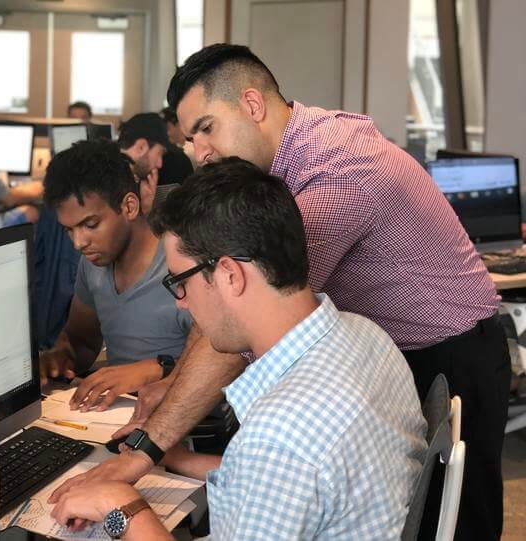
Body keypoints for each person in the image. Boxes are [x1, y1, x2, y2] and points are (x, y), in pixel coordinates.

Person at [52, 44, 510, 541]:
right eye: (188, 139)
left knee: (466, 522)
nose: (199, 152)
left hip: (451, 346)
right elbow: (237, 313)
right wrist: (175, 390)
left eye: (206, 128)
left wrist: (144, 453)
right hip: (382, 355)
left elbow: (245, 311)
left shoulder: (337, 172)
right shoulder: (289, 161)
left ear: (252, 105)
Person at [50, 158, 427, 540]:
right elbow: (289, 485)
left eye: (179, 282)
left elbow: (282, 460)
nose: (181, 302)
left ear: (230, 275)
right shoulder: (366, 337)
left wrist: (119, 507)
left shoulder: (278, 436)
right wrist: (182, 460)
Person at [40, 139, 192, 411]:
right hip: (113, 416)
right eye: (69, 230)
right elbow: (82, 340)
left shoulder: (184, 262)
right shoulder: (93, 264)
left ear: (129, 207)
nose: (78, 243)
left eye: (90, 224)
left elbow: (228, 361)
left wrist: (155, 370)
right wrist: (60, 357)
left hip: (184, 422)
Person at [118, 113, 169, 215]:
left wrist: (146, 206)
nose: (160, 164)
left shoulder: (128, 176)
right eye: (159, 153)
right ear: (142, 147)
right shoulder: (108, 180)